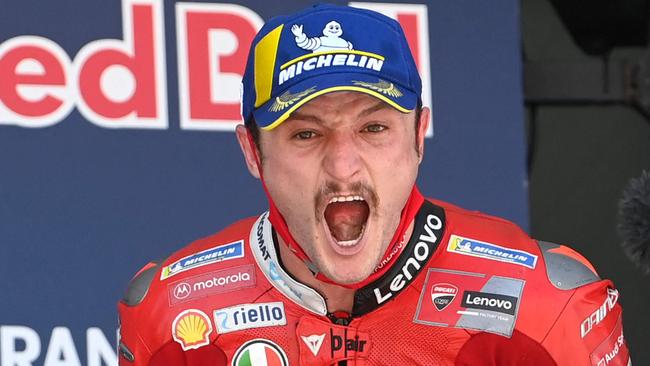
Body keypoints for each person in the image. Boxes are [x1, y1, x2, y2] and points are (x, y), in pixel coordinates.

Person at [118, 4, 631, 365]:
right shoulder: (174, 314)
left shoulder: (547, 302)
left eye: (373, 128)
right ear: (252, 152)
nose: (344, 167)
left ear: (418, 136)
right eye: (306, 133)